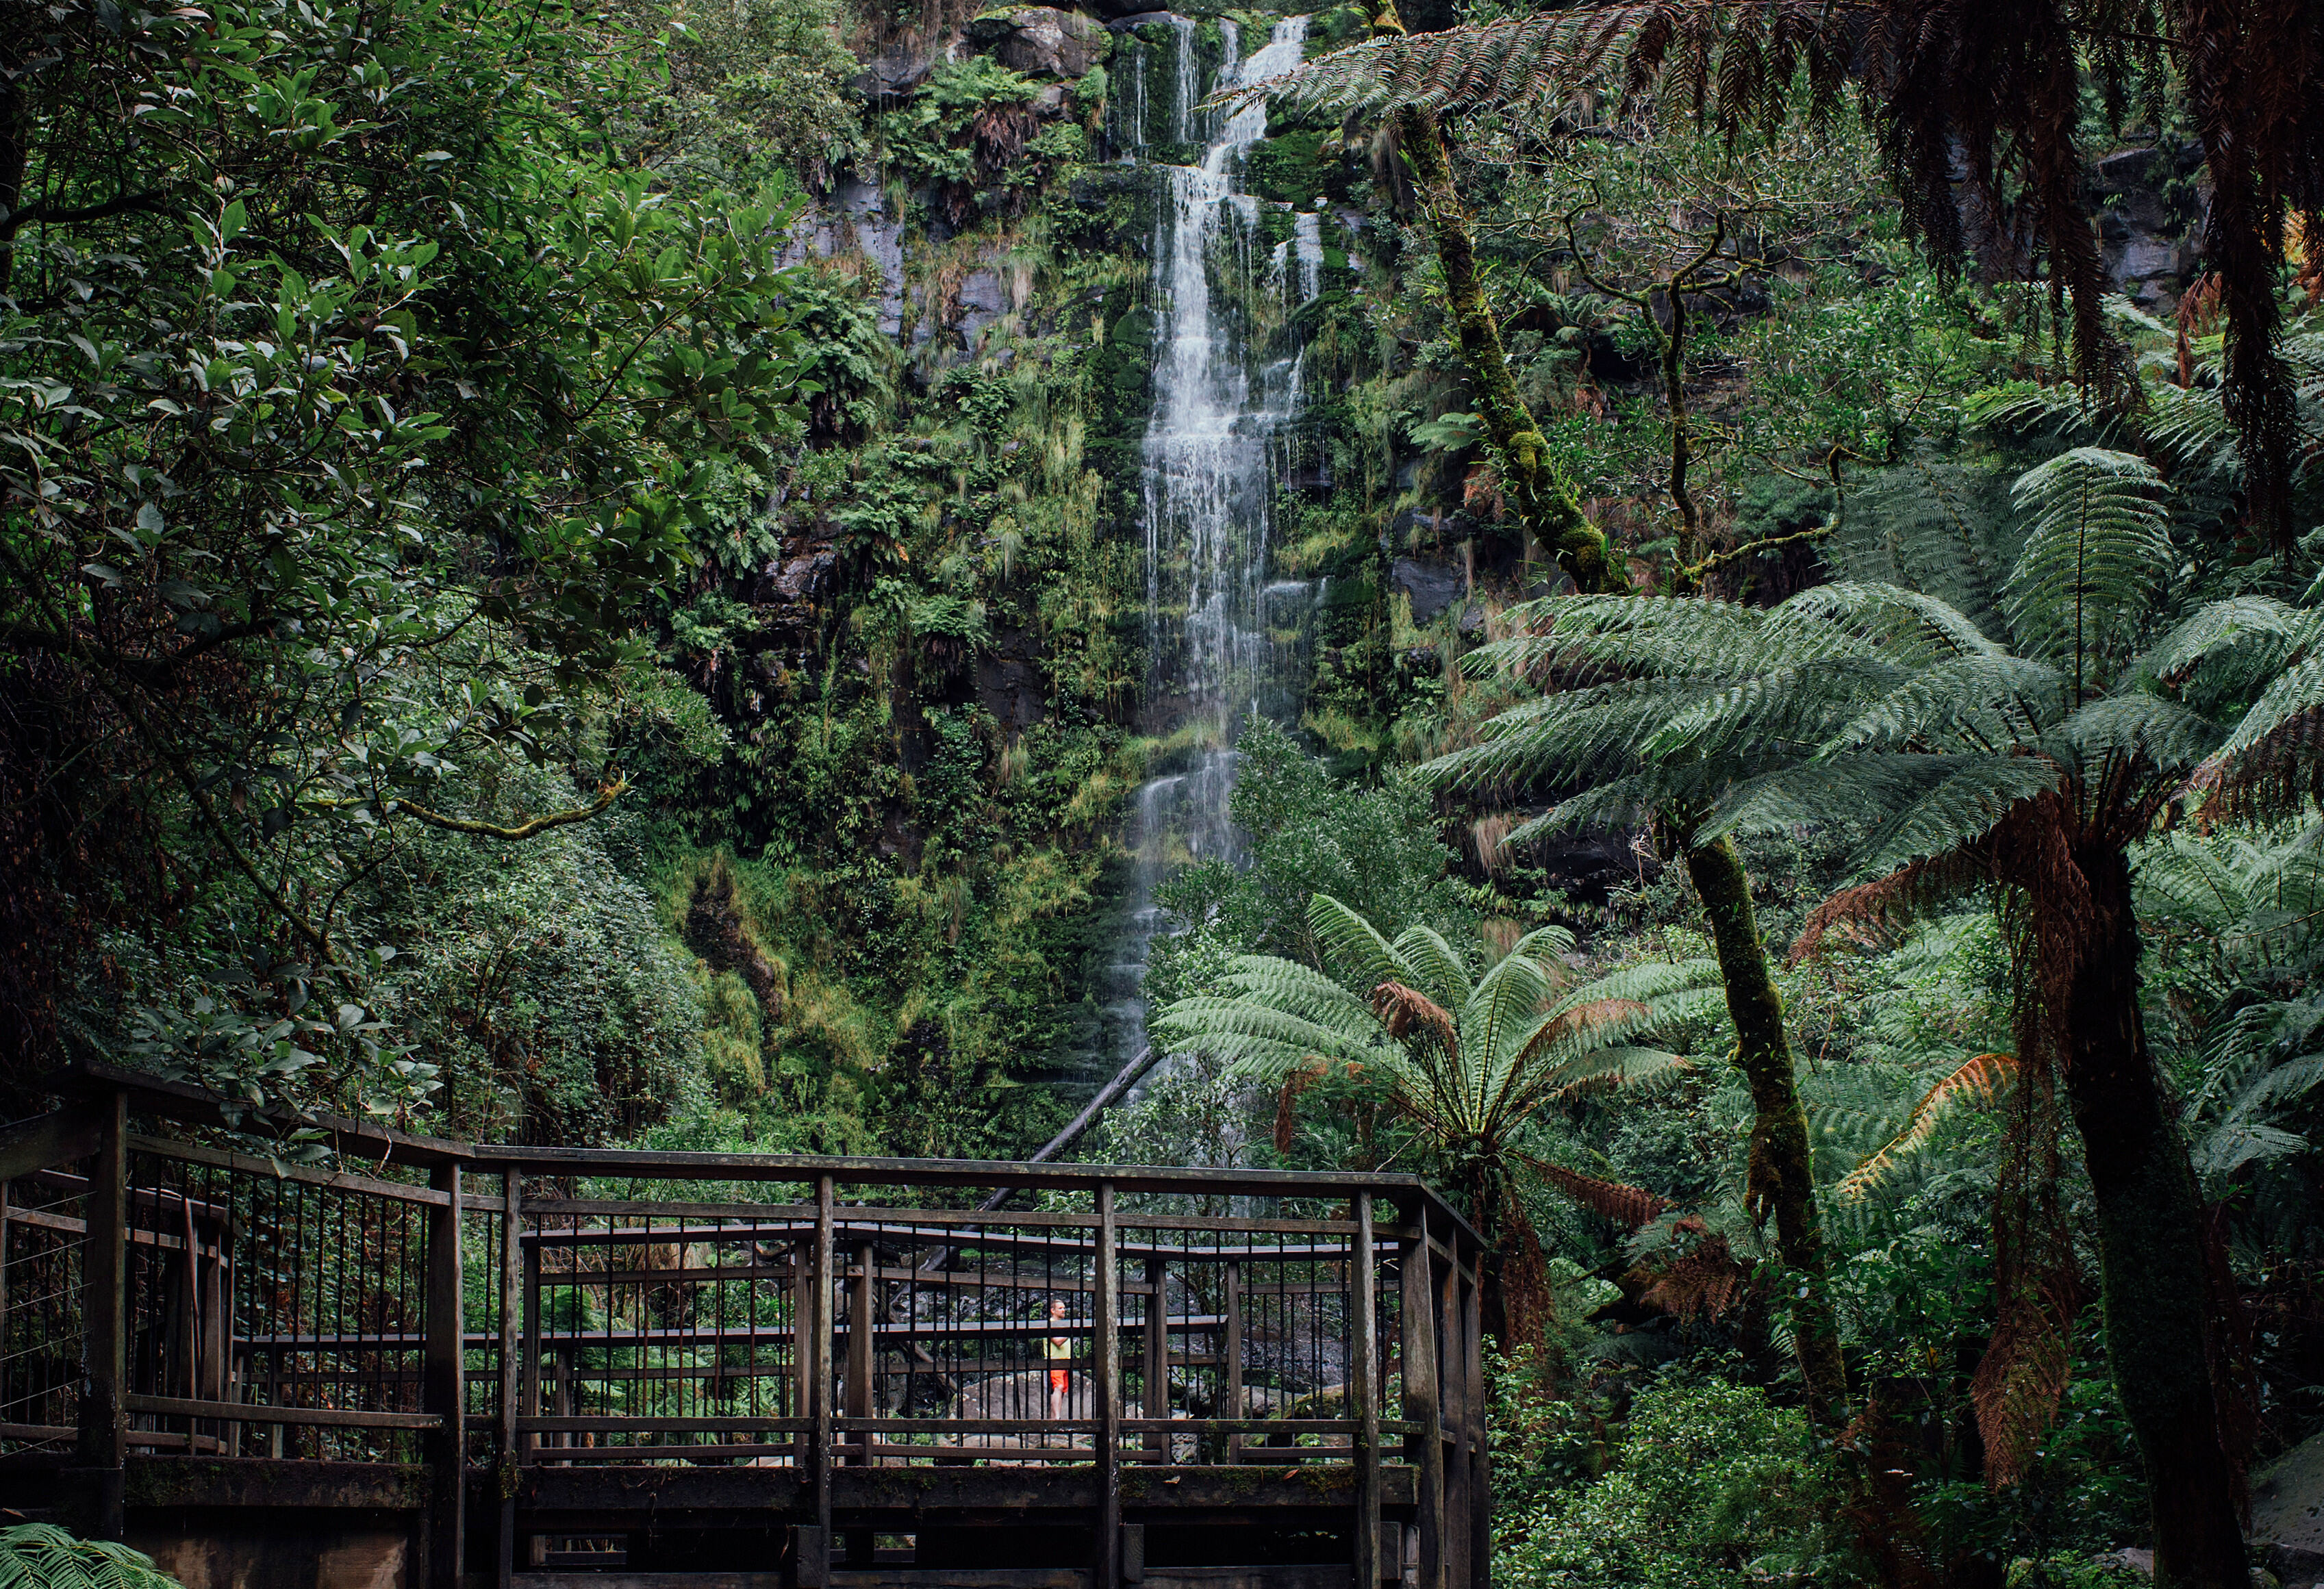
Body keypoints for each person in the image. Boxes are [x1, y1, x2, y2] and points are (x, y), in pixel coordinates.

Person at [1044, 1297, 1072, 1419]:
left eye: (1064, 1308)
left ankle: (1053, 1418)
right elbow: (1057, 1341)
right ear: (1053, 1310)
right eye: (1060, 1308)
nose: (1063, 1310)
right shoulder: (1050, 1324)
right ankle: (1057, 1418)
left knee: (1062, 1391)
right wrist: (1071, 1331)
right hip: (1055, 1362)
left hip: (1066, 1362)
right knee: (1058, 1387)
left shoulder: (1063, 1325)